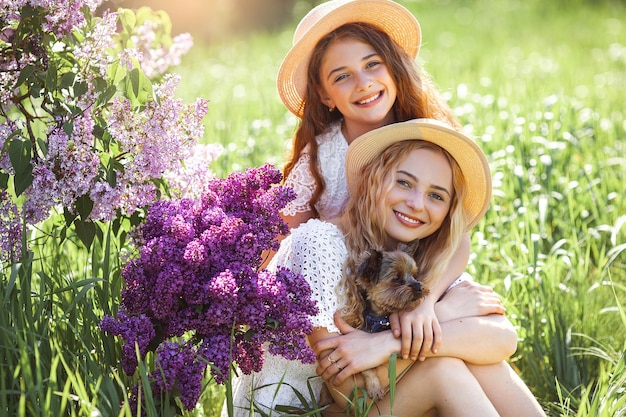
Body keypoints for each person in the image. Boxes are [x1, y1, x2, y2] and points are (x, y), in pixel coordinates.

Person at [225, 119, 546, 416]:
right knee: (443, 369)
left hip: (379, 400)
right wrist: (446, 316)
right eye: (405, 183)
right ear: (372, 177)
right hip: (305, 409)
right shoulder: (319, 244)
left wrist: (387, 343)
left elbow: (502, 339)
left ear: (448, 211)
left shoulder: (414, 252)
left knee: (479, 364)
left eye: (436, 195)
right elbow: (351, 393)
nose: (417, 203)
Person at [272, 0, 470, 361]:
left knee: (476, 341)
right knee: (449, 361)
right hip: (344, 299)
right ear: (324, 95)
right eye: (342, 76)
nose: (363, 84)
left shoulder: (427, 137)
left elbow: (457, 234)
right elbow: (284, 246)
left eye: (372, 65)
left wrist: (425, 303)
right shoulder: (321, 157)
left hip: (414, 282)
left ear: (393, 68)